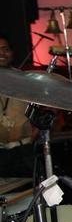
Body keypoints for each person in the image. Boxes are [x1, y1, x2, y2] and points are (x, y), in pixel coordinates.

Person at [0, 35, 35, 176]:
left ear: (12, 53)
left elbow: (44, 110)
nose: (2, 53)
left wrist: (34, 135)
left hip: (24, 151)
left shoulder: (26, 81)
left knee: (28, 194)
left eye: (5, 49)